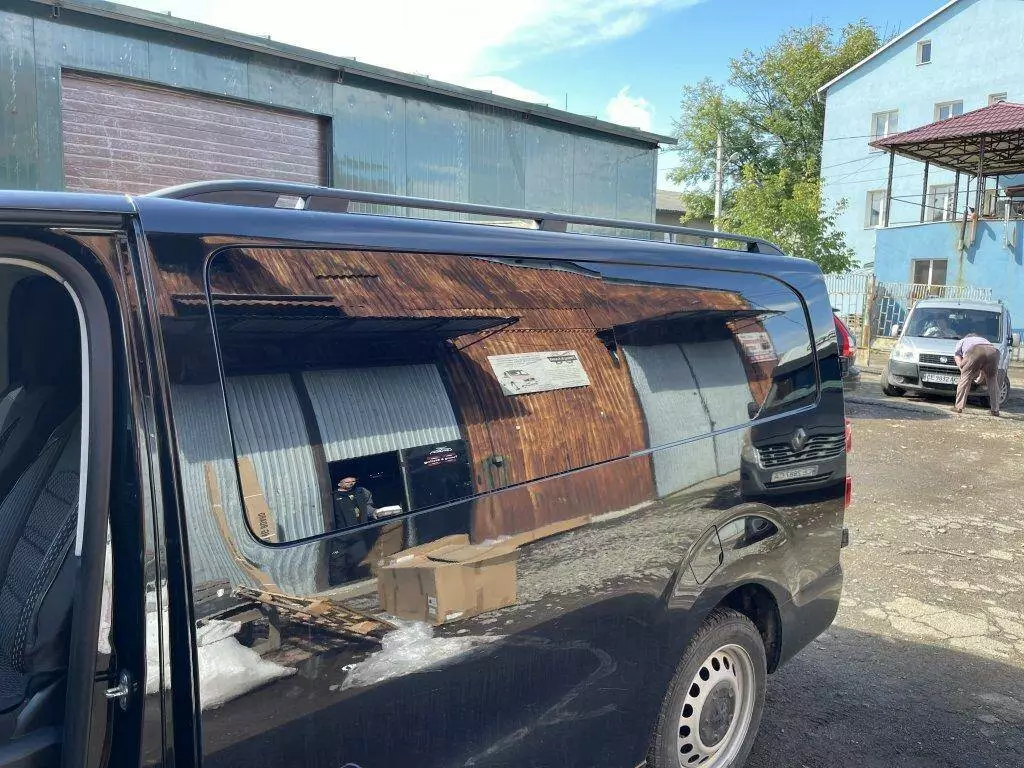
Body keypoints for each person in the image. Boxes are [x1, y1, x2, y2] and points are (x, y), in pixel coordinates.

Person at [953, 333, 1000, 416]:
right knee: (992, 379)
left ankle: (958, 407)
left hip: (975, 351)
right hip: (993, 351)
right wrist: (980, 378)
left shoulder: (962, 341)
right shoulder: (984, 340)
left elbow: (957, 356)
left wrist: (963, 370)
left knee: (965, 379)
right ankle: (995, 409)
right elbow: (984, 365)